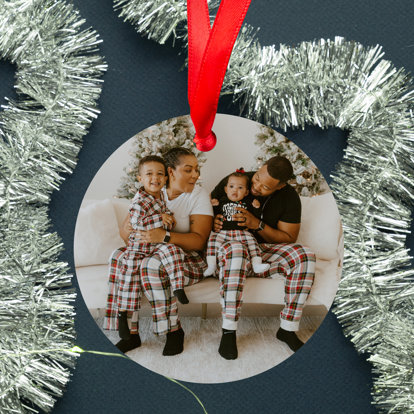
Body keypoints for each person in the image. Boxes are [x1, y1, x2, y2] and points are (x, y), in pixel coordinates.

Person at [103, 147, 213, 355]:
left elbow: (199, 242)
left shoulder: (197, 195)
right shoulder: (153, 191)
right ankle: (130, 332)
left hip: (187, 260)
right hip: (152, 251)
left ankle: (173, 331)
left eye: (197, 170)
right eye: (189, 170)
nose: (196, 175)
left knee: (150, 264)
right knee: (119, 256)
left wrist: (163, 236)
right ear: (171, 172)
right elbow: (126, 233)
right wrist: (141, 234)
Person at [211, 156, 316, 359]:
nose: (256, 186)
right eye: (258, 177)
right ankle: (229, 330)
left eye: (265, 187)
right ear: (260, 168)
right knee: (236, 250)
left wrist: (256, 224)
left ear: (281, 186)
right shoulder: (237, 179)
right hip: (230, 248)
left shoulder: (289, 197)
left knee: (305, 255)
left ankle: (287, 328)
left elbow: (288, 238)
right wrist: (214, 221)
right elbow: (205, 210)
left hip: (262, 252)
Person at [117, 155, 189, 342]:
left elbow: (163, 221)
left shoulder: (161, 197)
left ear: (166, 178)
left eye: (160, 174)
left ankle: (178, 287)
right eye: (149, 174)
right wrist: (160, 219)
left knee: (172, 251)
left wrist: (167, 219)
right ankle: (123, 315)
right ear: (140, 178)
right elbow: (136, 222)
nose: (155, 178)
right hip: (139, 248)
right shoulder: (139, 200)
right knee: (129, 279)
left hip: (156, 246)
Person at [204, 169, 270, 276]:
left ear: (246, 192)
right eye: (231, 186)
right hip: (223, 232)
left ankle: (257, 264)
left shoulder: (248, 202)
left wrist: (257, 207)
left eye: (240, 188)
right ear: (226, 189)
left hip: (242, 233)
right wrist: (213, 206)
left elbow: (256, 217)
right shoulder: (222, 201)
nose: (235, 190)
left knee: (253, 243)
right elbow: (214, 215)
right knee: (212, 241)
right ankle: (211, 265)